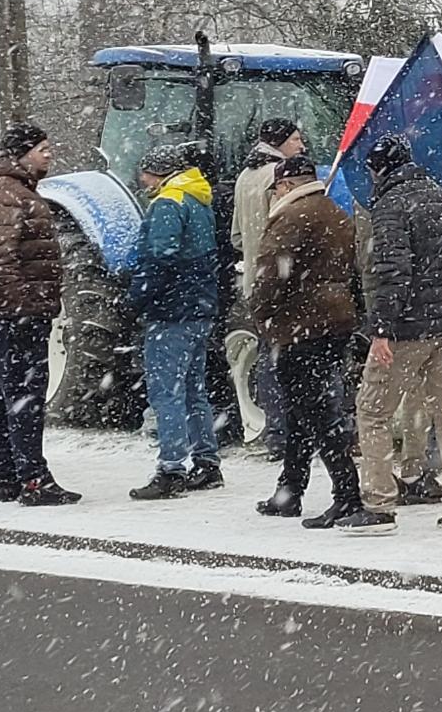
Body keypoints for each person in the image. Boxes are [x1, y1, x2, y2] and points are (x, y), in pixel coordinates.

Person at [341, 136, 442, 534]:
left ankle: (379, 504)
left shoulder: (389, 207)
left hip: (406, 330)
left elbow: (391, 272)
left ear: (379, 169)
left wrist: (382, 329)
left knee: (372, 411)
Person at [249, 155, 362, 527]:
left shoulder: (291, 216)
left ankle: (346, 495)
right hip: (334, 322)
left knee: (316, 412)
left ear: (284, 186)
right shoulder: (334, 211)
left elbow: (271, 273)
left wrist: (260, 313)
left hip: (299, 326)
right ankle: (290, 491)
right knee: (303, 410)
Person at [127, 144, 225, 500]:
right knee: (193, 388)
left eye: (146, 172)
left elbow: (160, 257)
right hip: (199, 307)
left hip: (172, 311)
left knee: (165, 391)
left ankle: (171, 470)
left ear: (159, 172)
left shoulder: (168, 202)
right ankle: (207, 461)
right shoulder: (198, 197)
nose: (142, 180)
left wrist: (137, 296)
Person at [0, 123, 79, 506]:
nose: (50, 154)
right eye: (42, 148)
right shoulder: (10, 194)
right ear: (20, 153)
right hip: (16, 316)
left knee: (4, 395)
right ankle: (33, 480)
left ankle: (6, 476)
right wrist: (20, 307)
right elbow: (0, 258)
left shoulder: (16, 190)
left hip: (11, 314)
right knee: (24, 396)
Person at [229, 118, 305, 459]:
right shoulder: (280, 178)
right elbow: (289, 231)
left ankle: (275, 433)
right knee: (291, 361)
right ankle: (289, 434)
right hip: (282, 281)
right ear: (279, 142)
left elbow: (236, 236)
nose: (301, 146)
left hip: (255, 282)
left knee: (268, 357)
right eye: (295, 139)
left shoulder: (245, 175)